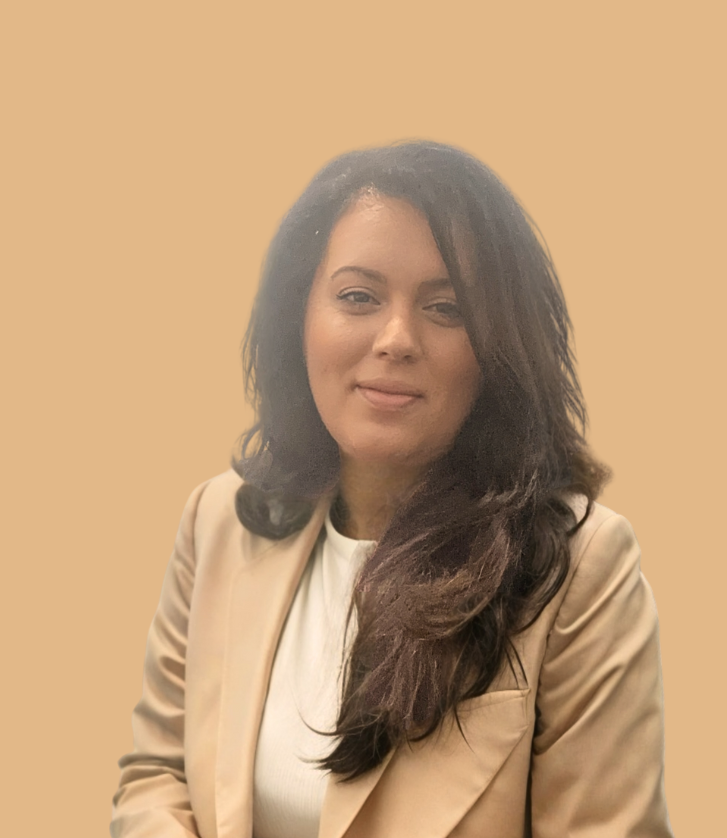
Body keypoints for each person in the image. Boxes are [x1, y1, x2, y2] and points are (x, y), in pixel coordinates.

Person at [111, 140, 675, 838]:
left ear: (498, 348)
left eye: (447, 309)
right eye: (358, 297)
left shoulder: (582, 564)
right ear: (300, 318)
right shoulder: (221, 519)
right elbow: (157, 775)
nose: (397, 338)